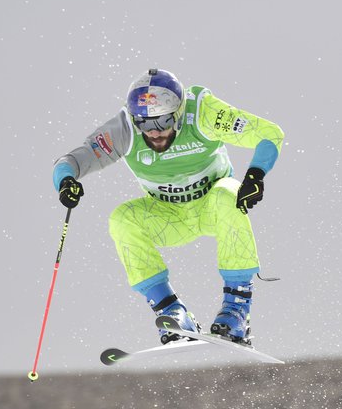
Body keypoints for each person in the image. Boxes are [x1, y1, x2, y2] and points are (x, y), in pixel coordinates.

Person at [53, 69, 284, 345]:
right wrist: (66, 181)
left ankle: (236, 311)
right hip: (169, 216)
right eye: (145, 123)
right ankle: (171, 312)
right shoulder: (125, 129)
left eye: (163, 121)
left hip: (213, 207)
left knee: (227, 193)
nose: (154, 132)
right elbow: (70, 161)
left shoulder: (202, 112)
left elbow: (269, 134)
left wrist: (255, 175)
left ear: (178, 111)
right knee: (122, 220)